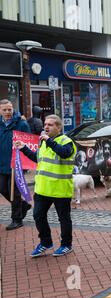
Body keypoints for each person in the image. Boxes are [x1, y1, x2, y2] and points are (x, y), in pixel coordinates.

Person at [15, 115, 76, 257]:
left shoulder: (67, 142)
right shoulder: (43, 142)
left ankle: (66, 245)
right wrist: (24, 148)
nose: (46, 127)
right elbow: (38, 159)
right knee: (38, 215)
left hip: (60, 188)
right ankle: (46, 242)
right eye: (45, 124)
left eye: (50, 125)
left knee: (64, 218)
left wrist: (49, 141)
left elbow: (65, 153)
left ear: (59, 127)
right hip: (42, 188)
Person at [0, 99, 32, 230]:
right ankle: (23, 206)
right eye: (4, 110)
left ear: (13, 109)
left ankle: (17, 219)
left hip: (16, 164)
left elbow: (29, 144)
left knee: (14, 192)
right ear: (0, 111)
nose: (7, 112)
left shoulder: (21, 124)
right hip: (2, 163)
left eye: (9, 109)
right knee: (2, 189)